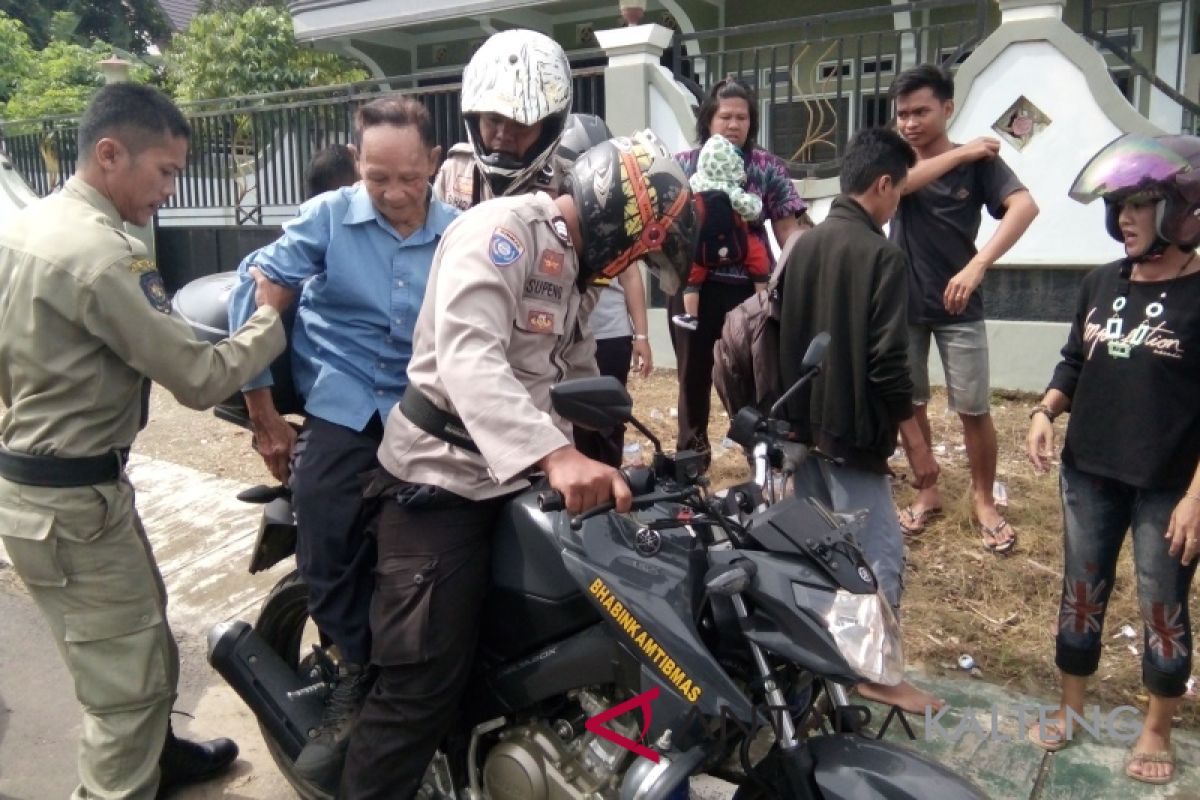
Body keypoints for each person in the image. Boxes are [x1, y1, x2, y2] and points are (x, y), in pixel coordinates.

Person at [339, 130, 696, 799]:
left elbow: (575, 376)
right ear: (612, 219)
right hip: (440, 482)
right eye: (636, 250)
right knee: (422, 685)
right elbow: (469, 356)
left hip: (515, 482)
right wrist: (557, 454)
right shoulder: (502, 232)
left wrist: (646, 459)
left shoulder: (577, 271)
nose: (628, 267)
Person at [0, 83, 294, 800]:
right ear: (110, 154)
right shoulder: (104, 255)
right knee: (123, 692)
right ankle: (124, 779)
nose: (171, 189)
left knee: (138, 636)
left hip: (50, 489)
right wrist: (270, 317)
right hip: (75, 503)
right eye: (164, 171)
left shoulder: (26, 229)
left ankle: (158, 758)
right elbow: (196, 376)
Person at [226, 97, 458, 789]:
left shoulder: (462, 233)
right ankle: (355, 668)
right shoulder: (327, 217)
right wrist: (264, 412)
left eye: (408, 178)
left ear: (434, 164)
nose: (392, 193)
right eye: (377, 176)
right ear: (358, 164)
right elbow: (260, 288)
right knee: (324, 512)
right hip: (346, 403)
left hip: (427, 408)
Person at [1025, 133, 1200, 786]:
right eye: (1118, 205)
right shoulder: (1099, 282)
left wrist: (1196, 496)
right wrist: (1046, 411)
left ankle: (1156, 727)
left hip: (1168, 486)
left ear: (1181, 209)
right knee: (1081, 592)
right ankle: (1071, 708)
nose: (1123, 216)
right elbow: (1074, 359)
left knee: (1163, 602)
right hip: (1089, 472)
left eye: (1139, 202)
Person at [778, 127, 941, 714]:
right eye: (898, 191)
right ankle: (876, 673)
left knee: (821, 551)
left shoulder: (803, 245)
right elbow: (888, 365)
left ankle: (826, 658)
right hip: (851, 435)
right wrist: (918, 446)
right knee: (878, 555)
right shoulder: (882, 255)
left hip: (801, 428)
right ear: (881, 184)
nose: (898, 203)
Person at [888, 64, 1039, 550]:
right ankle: (927, 491)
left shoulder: (980, 165)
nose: (910, 123)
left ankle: (983, 499)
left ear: (947, 109)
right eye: (902, 114)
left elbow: (1025, 207)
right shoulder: (896, 158)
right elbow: (902, 186)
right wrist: (964, 153)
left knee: (973, 407)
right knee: (912, 403)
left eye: (921, 112)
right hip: (902, 303)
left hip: (960, 304)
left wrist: (978, 266)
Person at [671, 77, 809, 462]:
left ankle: (760, 453)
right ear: (708, 120)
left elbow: (786, 225)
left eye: (742, 118)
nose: (734, 125)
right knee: (692, 375)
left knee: (754, 374)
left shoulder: (766, 166)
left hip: (750, 289)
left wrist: (796, 274)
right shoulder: (683, 165)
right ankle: (691, 456)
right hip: (694, 286)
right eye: (725, 117)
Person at [433, 28, 573, 210]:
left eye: (520, 124)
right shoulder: (455, 171)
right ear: (476, 118)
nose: (504, 134)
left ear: (547, 129)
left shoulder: (569, 183)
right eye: (493, 119)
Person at [673, 132, 770, 331]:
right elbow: (753, 210)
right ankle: (762, 302)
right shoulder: (732, 190)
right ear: (732, 165)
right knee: (759, 259)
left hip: (703, 244)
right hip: (736, 239)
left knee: (692, 277)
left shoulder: (694, 184)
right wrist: (754, 203)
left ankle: (691, 315)